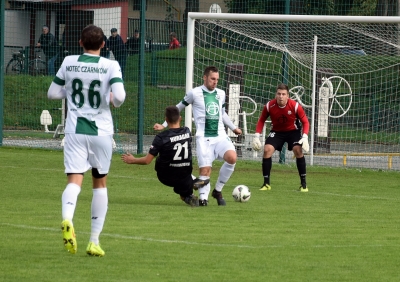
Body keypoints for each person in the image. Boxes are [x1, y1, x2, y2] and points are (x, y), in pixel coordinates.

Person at [47, 24, 126, 257]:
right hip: (100, 132)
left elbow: (52, 93)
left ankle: (67, 219)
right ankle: (94, 241)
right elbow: (119, 98)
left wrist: (70, 93)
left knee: (74, 180)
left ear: (80, 43)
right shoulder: (111, 65)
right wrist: (111, 98)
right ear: (103, 44)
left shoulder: (69, 61)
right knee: (99, 184)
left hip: (74, 130)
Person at [154, 66, 242, 206]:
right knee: (205, 170)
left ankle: (217, 190)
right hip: (204, 138)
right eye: (213, 79)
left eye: (217, 80)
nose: (215, 82)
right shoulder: (194, 93)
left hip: (220, 135)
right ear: (205, 77)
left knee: (232, 158)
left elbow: (222, 113)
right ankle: (203, 199)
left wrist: (233, 127)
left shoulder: (221, 93)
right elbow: (178, 107)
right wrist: (164, 125)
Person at [122, 106, 204, 207]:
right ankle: (192, 184)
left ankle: (189, 194)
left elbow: (147, 160)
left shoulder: (161, 137)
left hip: (166, 175)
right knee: (183, 174)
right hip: (185, 172)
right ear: (180, 118)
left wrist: (133, 160)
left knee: (161, 158)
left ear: (166, 120)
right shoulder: (187, 132)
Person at [252, 83, 310, 192]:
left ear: (288, 95)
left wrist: (305, 136)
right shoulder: (269, 106)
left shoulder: (295, 106)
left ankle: (303, 184)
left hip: (293, 131)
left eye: (283, 94)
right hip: (277, 132)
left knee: (298, 150)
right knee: (267, 150)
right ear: (276, 95)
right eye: (279, 94)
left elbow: (305, 122)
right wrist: (256, 136)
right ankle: (266, 183)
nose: (281, 96)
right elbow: (261, 120)